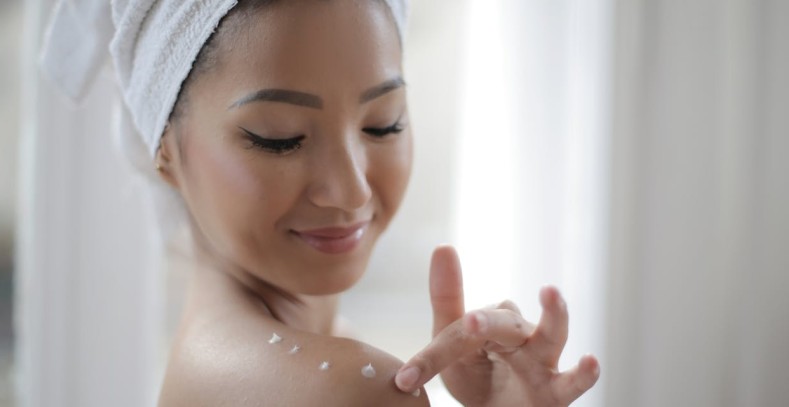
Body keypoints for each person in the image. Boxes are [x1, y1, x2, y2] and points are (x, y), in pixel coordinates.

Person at [44, 0, 600, 405]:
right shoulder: (346, 389)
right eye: (279, 137)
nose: (353, 190)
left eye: (384, 124)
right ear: (164, 151)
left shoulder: (228, 365)